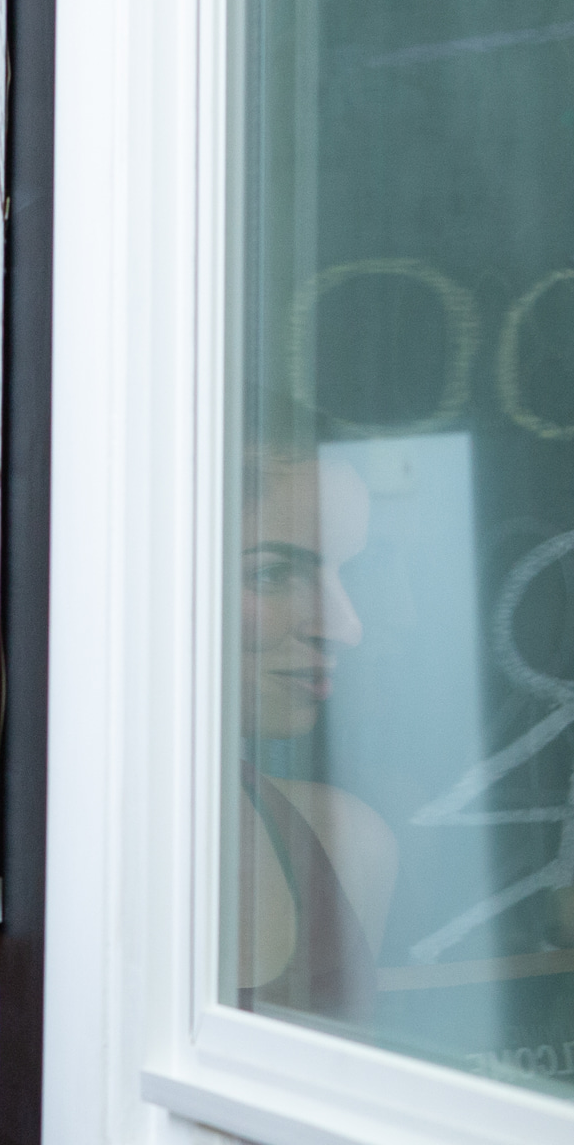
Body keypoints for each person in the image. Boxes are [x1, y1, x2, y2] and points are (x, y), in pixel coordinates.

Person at [233, 437, 396, 1020]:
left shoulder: (350, 847)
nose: (346, 626)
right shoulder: (37, 857)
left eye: (352, 573)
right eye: (273, 574)